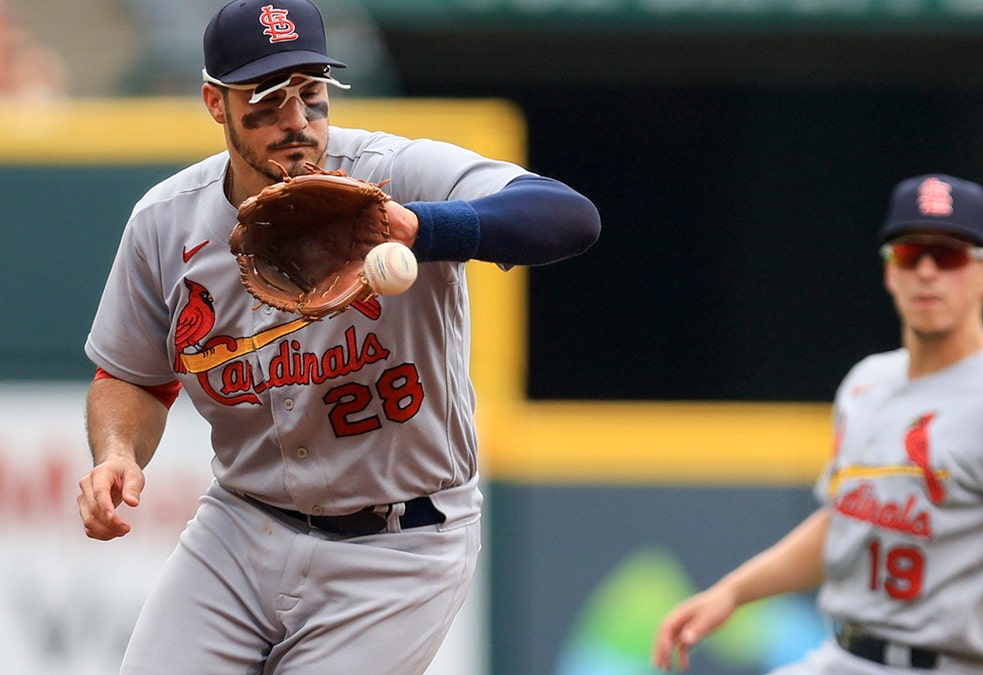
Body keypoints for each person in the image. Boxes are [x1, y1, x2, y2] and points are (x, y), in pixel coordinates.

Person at [76, 1, 600, 673]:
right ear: (216, 102)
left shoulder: (393, 174)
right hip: (239, 527)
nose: (295, 119)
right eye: (266, 97)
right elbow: (134, 374)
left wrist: (423, 226)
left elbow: (569, 217)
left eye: (310, 91)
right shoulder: (165, 223)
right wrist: (118, 451)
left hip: (400, 547)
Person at [652, 174, 983, 675]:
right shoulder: (865, 383)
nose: (928, 271)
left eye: (952, 255)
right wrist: (732, 593)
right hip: (839, 656)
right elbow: (847, 522)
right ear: (889, 272)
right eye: (910, 253)